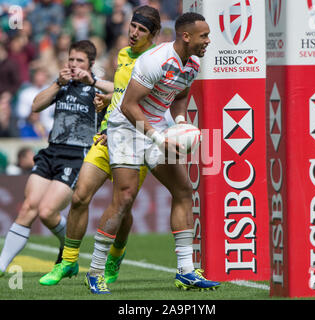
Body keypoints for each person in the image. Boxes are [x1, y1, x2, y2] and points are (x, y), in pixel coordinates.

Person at [86, 12, 219, 294]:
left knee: (184, 191)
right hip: (126, 127)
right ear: (186, 36)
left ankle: (186, 271)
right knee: (124, 197)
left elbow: (180, 97)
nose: (208, 40)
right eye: (203, 36)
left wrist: (180, 124)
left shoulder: (193, 64)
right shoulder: (155, 61)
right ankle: (95, 271)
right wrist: (158, 137)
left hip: (157, 124)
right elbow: (128, 106)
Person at [38, 5, 161, 287]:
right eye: (133, 26)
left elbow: (150, 102)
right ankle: (68, 262)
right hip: (107, 136)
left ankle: (115, 256)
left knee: (123, 207)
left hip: (134, 141)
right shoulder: (122, 54)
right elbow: (123, 94)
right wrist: (108, 102)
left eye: (142, 30)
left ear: (153, 35)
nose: (133, 33)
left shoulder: (155, 61)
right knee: (80, 196)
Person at [0, 40, 111, 279]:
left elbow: (121, 92)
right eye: (71, 59)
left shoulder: (97, 89)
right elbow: (36, 106)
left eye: (79, 61)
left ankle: (68, 252)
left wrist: (91, 80)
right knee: (29, 207)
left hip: (76, 155)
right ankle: (0, 266)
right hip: (51, 151)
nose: (73, 64)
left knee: (48, 211)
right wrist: (57, 83)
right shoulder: (62, 85)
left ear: (90, 64)